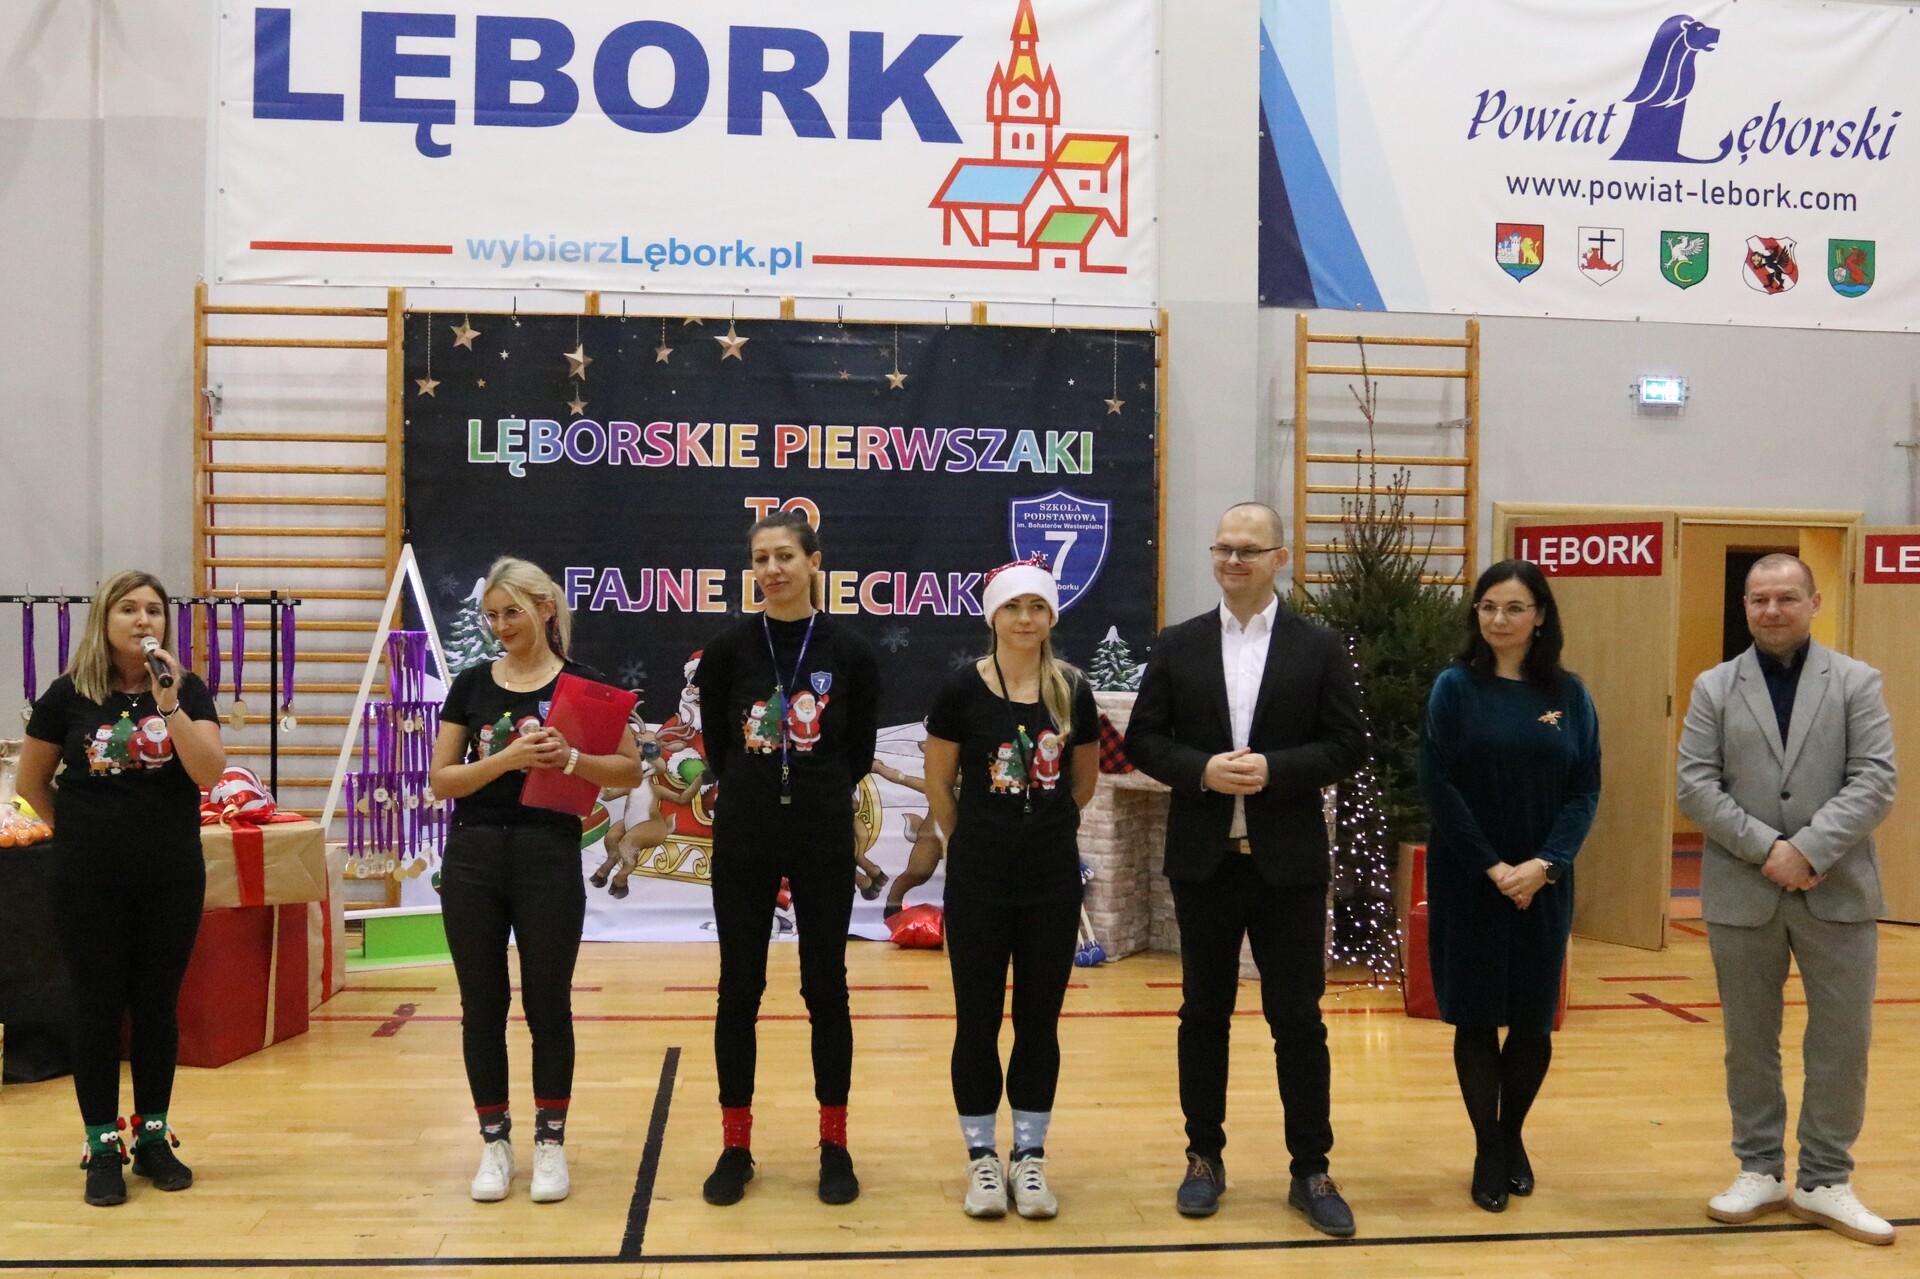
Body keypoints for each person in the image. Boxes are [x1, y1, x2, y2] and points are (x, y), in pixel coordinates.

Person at [1124, 502, 1366, 1237]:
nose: (1233, 560)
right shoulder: (1179, 643)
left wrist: (1274, 769)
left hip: (1288, 866)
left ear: (1279, 559)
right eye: (1223, 548)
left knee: (1298, 1020)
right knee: (1203, 1015)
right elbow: (1143, 740)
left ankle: (1311, 1168)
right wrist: (1201, 770)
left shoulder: (1318, 645)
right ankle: (1203, 1157)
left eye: (1249, 550)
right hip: (1205, 864)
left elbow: (1348, 744)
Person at [1677, 553, 1898, 1246]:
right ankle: (1761, 1168)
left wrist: (1808, 849)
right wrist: (1769, 848)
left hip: (1839, 890)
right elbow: (1695, 785)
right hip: (1743, 892)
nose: (1771, 610)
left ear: (1814, 602)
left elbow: (1875, 780)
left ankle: (1825, 1178)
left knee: (1842, 1042)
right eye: (1759, 599)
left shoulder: (1857, 682)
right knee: (1749, 1042)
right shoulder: (1714, 687)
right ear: (1745, 606)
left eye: (1786, 598)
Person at [430, 557, 641, 1205]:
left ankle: (551, 1143)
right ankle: (494, 1143)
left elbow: (628, 771)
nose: (500, 626)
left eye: (512, 612)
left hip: (548, 853)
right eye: (491, 615)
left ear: (546, 608)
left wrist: (571, 758)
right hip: (473, 856)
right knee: (482, 1005)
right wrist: (506, 759)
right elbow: (442, 780)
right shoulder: (471, 683)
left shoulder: (585, 685)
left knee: (548, 1003)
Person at [16, 571, 226, 1207]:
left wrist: (170, 705)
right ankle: (101, 1144)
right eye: (129, 609)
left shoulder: (186, 689)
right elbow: (30, 782)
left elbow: (209, 773)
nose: (144, 621)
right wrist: (82, 833)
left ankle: (153, 1136)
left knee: (157, 1006)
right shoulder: (67, 695)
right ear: (104, 621)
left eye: (154, 610)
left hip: (170, 876)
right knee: (97, 1007)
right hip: (88, 880)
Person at [692, 510, 881, 1207]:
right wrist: (758, 785)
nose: (772, 569)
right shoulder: (727, 649)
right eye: (761, 558)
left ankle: (834, 1143)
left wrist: (810, 787)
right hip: (746, 833)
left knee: (825, 987)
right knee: (739, 988)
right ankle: (735, 1146)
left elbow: (857, 750)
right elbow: (720, 747)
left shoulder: (851, 651)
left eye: (785, 556)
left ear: (813, 562)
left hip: (821, 834)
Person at [1416, 559, 1600, 1213]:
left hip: (1542, 882)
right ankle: (1487, 1148)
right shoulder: (1454, 687)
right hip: (1470, 877)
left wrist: (1545, 864)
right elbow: (1439, 782)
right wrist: (1494, 867)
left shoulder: (1569, 696)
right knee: (1474, 1016)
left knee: (1531, 1021)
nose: (1499, 619)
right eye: (1488, 606)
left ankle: (1511, 1131)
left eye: (1514, 607)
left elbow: (1584, 788)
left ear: (1540, 616)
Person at [922, 555, 1100, 1220]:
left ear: (1052, 616)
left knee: (1038, 1023)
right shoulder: (960, 690)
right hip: (979, 881)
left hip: (1050, 881)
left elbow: (1083, 783)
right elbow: (939, 782)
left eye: (1037, 607)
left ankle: (1029, 1156)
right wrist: (975, 837)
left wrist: (1041, 831)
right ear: (993, 616)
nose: (1026, 619)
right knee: (976, 1021)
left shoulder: (1072, 689)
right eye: (1013, 607)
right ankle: (981, 1160)